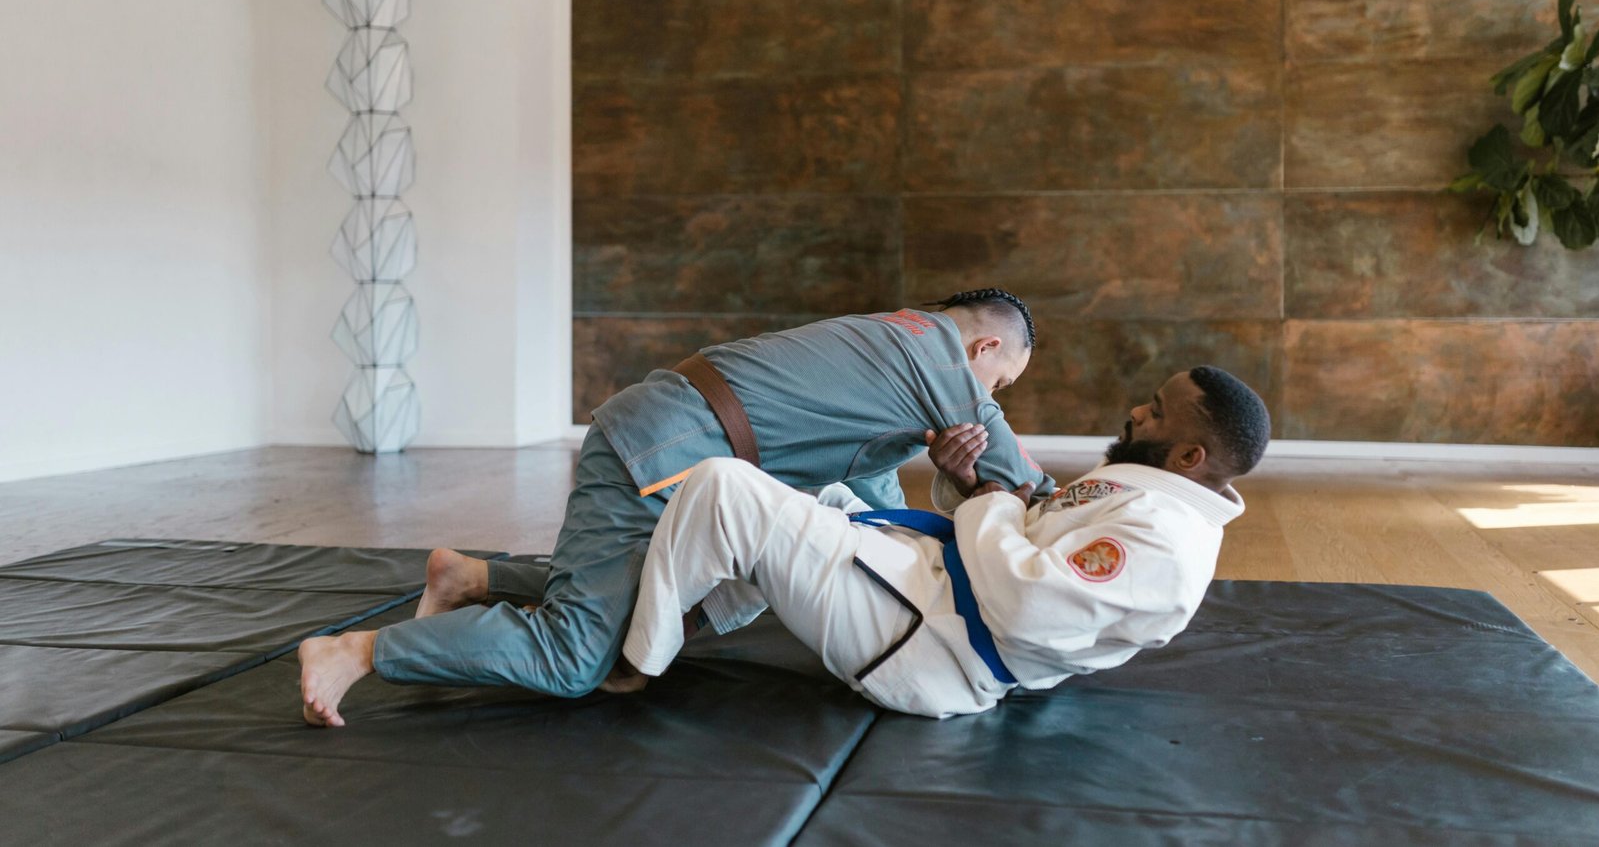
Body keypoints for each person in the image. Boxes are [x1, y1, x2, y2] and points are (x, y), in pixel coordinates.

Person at [301, 289, 1054, 726]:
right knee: (573, 659)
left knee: (719, 583)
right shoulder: (936, 356)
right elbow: (1025, 482)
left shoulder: (892, 358)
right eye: (1003, 386)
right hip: (657, 456)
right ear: (983, 348)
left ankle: (471, 578)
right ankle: (356, 651)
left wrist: (950, 486)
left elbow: (870, 524)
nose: (990, 401)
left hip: (670, 441)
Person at [622, 365, 1269, 718]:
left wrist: (991, 503)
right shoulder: (1150, 487)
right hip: (934, 589)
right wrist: (968, 483)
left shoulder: (1167, 546)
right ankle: (694, 611)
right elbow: (1032, 532)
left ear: (1191, 453)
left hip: (930, 648)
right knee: (813, 488)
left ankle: (631, 663)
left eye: (1154, 411)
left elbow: (1024, 605)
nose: (1135, 411)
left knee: (721, 486)